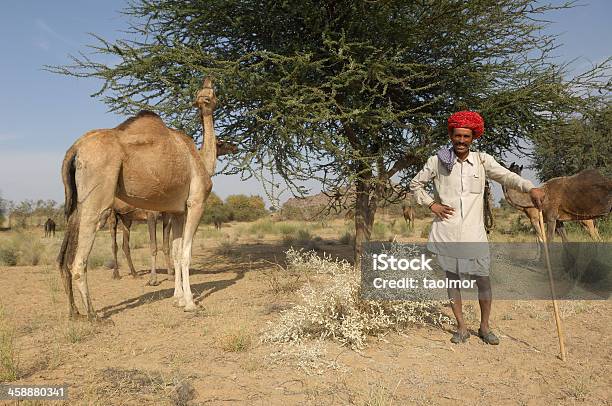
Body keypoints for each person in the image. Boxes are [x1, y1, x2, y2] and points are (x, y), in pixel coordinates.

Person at [409, 111, 545, 345]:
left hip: (475, 234)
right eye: (458, 135)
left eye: (466, 136)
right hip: (447, 232)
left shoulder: (482, 161)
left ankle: (484, 327)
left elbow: (507, 177)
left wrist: (529, 187)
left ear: (473, 138)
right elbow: (415, 185)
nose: (461, 140)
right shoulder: (437, 161)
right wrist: (432, 204)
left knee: (483, 279)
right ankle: (461, 327)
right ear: (451, 135)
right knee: (452, 280)